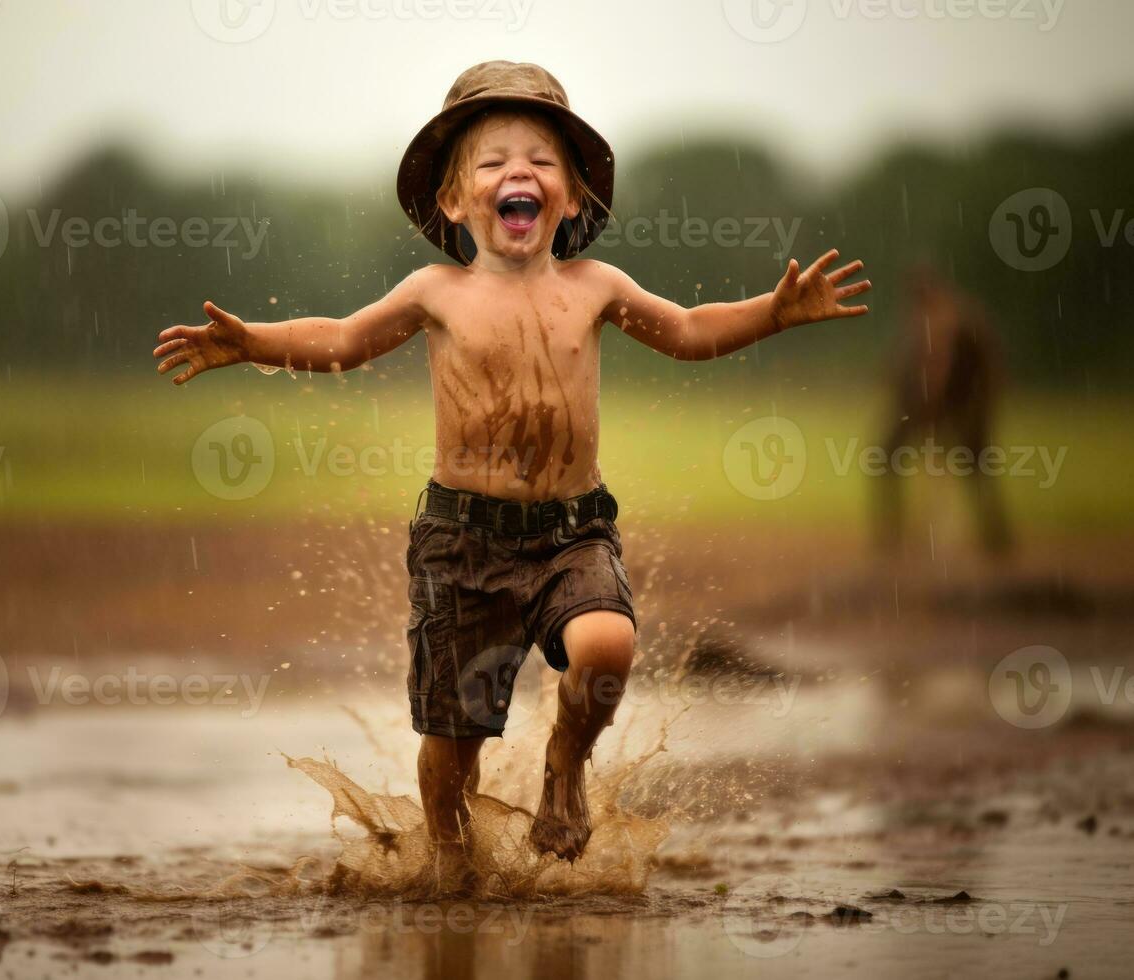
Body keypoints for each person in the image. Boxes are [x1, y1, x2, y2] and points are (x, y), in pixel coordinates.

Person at [152, 61, 870, 891]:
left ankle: (565, 765)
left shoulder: (596, 285)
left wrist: (772, 312)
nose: (516, 173)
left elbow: (686, 331)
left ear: (569, 198)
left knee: (606, 644)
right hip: (462, 543)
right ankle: (449, 857)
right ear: (455, 201)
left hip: (572, 532)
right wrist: (253, 342)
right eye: (491, 163)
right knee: (451, 741)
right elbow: (342, 339)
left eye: (538, 160)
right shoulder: (437, 291)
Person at [874, 263, 1011, 555]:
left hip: (961, 403)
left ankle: (995, 539)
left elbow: (939, 369)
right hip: (951, 403)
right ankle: (996, 540)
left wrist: (933, 411)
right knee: (975, 467)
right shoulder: (945, 316)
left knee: (974, 465)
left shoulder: (944, 318)